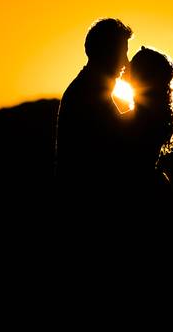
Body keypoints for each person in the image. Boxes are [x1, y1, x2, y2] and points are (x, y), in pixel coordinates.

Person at [54, 18, 132, 201]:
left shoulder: (88, 88)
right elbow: (118, 142)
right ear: (106, 52)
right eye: (123, 53)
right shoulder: (87, 93)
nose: (126, 62)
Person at [119, 45, 173, 215]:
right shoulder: (154, 115)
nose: (126, 66)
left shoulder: (141, 120)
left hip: (141, 197)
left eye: (133, 65)